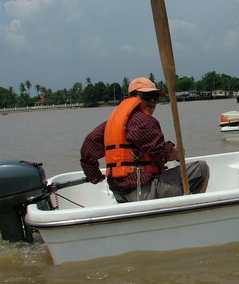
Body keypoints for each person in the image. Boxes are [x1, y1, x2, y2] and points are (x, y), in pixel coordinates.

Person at [80, 77, 210, 203]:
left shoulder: (110, 123)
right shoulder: (142, 121)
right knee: (201, 168)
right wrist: (179, 153)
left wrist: (95, 176)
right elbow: (164, 153)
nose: (152, 101)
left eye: (155, 98)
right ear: (132, 97)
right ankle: (194, 210)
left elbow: (87, 150)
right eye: (147, 97)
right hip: (142, 193)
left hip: (119, 194)